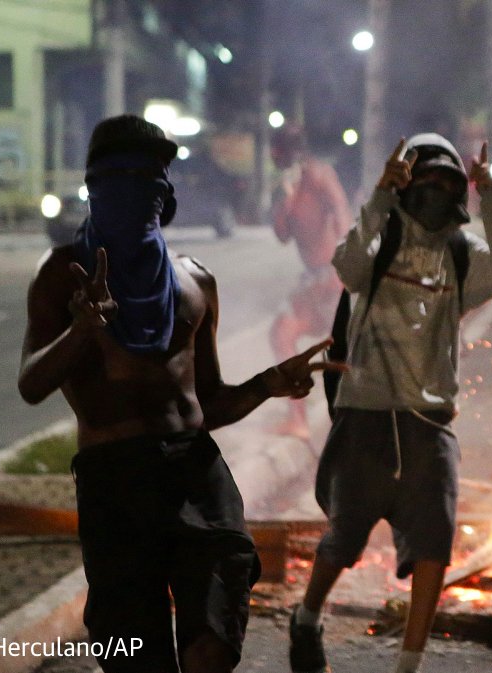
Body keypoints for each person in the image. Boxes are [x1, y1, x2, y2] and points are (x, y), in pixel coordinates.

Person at [17, 114, 344, 673]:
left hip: (197, 475)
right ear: (96, 187)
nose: (139, 192)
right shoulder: (62, 276)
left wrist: (268, 384)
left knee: (213, 641)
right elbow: (31, 384)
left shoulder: (194, 280)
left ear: (165, 194)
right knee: (134, 651)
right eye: (122, 179)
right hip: (115, 480)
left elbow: (205, 403)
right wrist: (82, 332)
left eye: (151, 180)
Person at [288, 133, 492, 673]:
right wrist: (379, 199)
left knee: (433, 544)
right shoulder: (381, 245)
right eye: (424, 179)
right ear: (405, 186)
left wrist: (491, 187)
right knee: (344, 538)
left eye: (448, 182)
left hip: (430, 422)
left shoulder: (463, 259)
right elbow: (347, 265)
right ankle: (305, 619)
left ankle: (408, 665)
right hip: (367, 416)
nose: (435, 190)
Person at [269, 124, 353, 438]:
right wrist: (285, 205)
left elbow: (342, 212)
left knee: (347, 354)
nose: (274, 158)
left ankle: (367, 428)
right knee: (282, 334)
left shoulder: (318, 175)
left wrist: (342, 267)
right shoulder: (289, 189)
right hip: (313, 281)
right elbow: (282, 235)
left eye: (276, 152)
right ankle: (299, 420)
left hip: (333, 277)